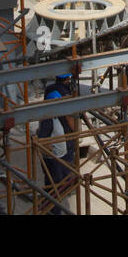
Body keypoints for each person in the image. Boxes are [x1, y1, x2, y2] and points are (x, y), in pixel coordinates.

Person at [30, 74, 77, 209]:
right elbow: (43, 140)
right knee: (57, 185)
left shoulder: (52, 114)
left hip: (56, 155)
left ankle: (50, 204)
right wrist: (50, 154)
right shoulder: (48, 120)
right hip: (55, 158)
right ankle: (51, 208)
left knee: (56, 183)